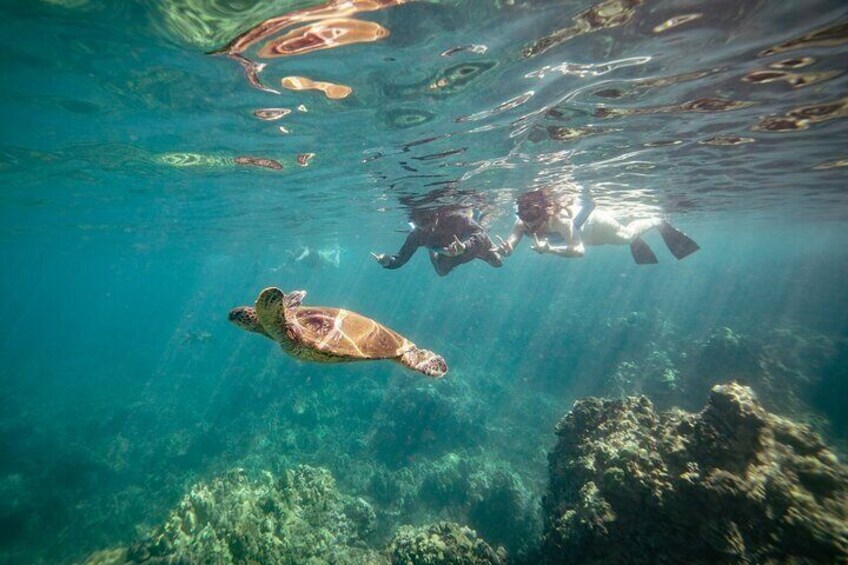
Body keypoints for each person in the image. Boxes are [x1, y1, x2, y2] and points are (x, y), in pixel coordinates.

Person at [498, 188, 699, 264]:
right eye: (524, 215)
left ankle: (656, 220)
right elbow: (510, 244)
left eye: (533, 213)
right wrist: (504, 250)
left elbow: (578, 250)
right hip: (585, 236)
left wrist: (551, 250)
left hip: (596, 224)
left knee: (626, 237)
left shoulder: (559, 220)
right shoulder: (522, 223)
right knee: (616, 241)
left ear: (544, 210)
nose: (529, 220)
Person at [371, 194, 503, 276]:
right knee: (441, 272)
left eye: (427, 221)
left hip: (467, 245)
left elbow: (479, 233)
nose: (426, 228)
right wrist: (388, 262)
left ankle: (478, 218)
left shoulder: (455, 217)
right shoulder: (417, 235)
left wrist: (465, 246)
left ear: (436, 216)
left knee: (498, 262)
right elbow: (401, 259)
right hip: (447, 251)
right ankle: (432, 252)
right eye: (420, 225)